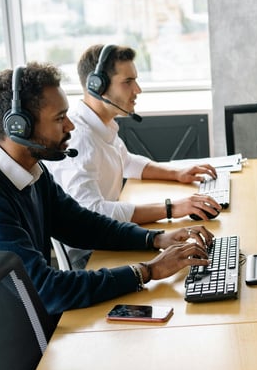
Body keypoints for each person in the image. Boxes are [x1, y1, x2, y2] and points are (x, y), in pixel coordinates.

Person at [0, 62, 213, 333]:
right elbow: (46, 290)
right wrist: (148, 271)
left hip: (22, 322)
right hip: (0, 345)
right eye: (59, 118)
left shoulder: (31, 170)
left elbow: (81, 224)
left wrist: (154, 239)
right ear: (19, 127)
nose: (70, 125)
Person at [46, 45, 221, 260]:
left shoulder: (101, 124)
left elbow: (126, 161)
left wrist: (177, 173)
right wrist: (171, 208)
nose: (137, 90)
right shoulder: (79, 138)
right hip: (92, 255)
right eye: (128, 82)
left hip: (110, 236)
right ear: (96, 85)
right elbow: (94, 213)